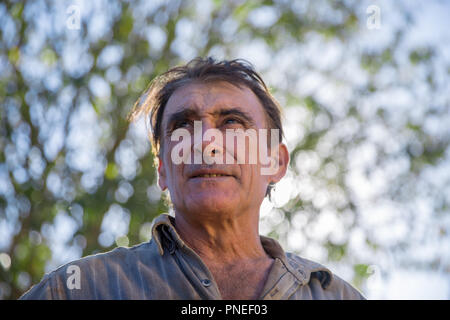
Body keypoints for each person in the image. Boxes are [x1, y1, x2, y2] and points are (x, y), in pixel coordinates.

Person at [20, 57, 365, 300]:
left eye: (232, 122)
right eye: (183, 125)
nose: (204, 142)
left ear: (275, 160)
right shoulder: (78, 290)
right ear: (162, 171)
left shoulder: (336, 296)